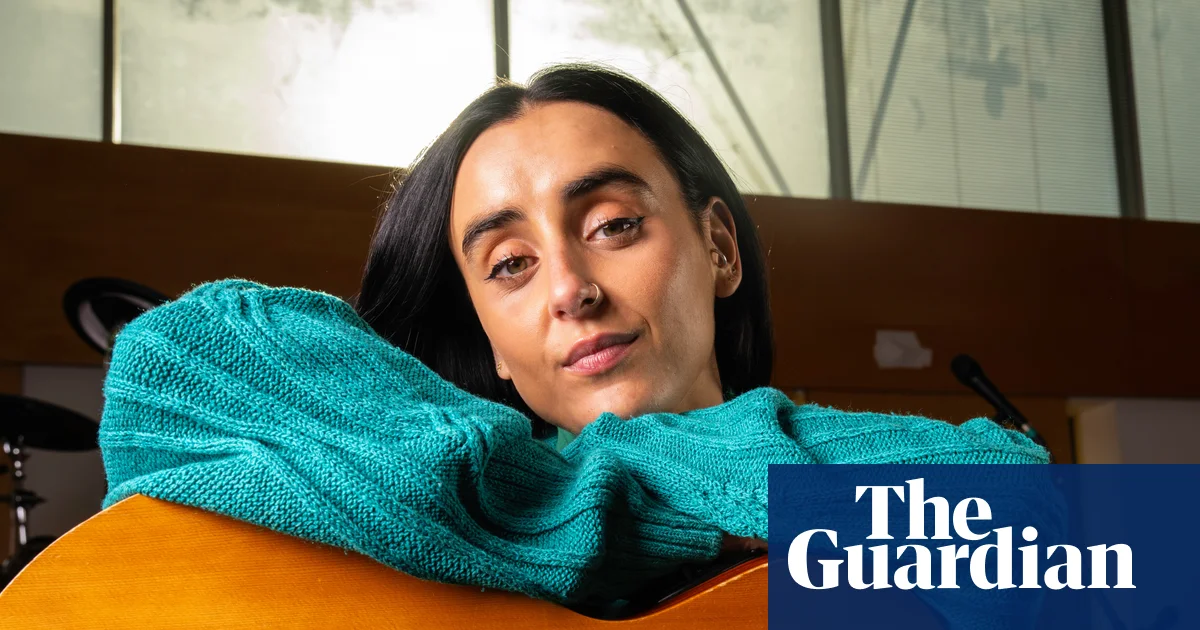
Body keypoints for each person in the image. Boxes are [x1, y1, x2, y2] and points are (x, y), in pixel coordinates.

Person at [99, 65, 1049, 618]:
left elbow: (1022, 517)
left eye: (613, 225)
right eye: (510, 265)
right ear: (489, 339)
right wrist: (569, 499)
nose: (569, 290)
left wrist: (572, 502)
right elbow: (172, 360)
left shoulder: (901, 464)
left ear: (720, 249)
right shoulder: (435, 481)